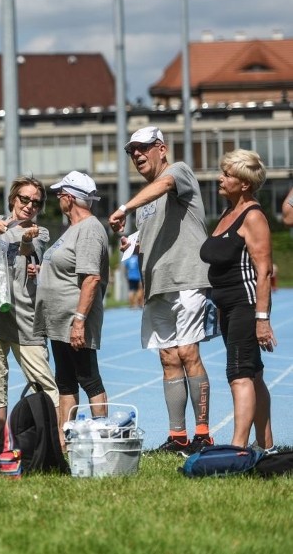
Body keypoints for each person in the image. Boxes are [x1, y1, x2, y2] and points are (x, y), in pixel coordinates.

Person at [108, 126, 213, 455]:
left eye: (142, 148)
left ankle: (203, 434)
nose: (136, 155)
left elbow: (164, 186)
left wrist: (124, 208)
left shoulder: (177, 172)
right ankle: (178, 436)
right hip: (158, 287)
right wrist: (131, 243)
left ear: (161, 149)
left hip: (188, 279)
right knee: (168, 358)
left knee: (188, 354)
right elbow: (147, 239)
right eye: (131, 151)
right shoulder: (145, 205)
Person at [199, 149, 277, 453]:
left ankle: (238, 448)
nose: (221, 178)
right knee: (253, 373)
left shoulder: (253, 216)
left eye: (227, 174)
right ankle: (265, 445)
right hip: (226, 307)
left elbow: (263, 271)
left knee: (239, 373)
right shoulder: (227, 212)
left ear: (244, 183)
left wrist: (262, 319)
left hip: (245, 305)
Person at [0, 177, 60, 444]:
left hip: (26, 318)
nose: (30, 205)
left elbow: (28, 248)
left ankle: (54, 443)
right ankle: (2, 444)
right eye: (25, 199)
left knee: (44, 383)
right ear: (13, 199)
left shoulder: (40, 232)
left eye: (36, 202)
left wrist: (25, 239)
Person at [34, 171, 110, 438]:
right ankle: (65, 441)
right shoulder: (72, 229)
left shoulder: (89, 229)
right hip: (59, 321)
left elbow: (91, 278)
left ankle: (101, 437)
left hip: (74, 320)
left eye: (60, 194)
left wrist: (79, 320)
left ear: (70, 197)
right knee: (65, 382)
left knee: (89, 378)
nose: (57, 198)